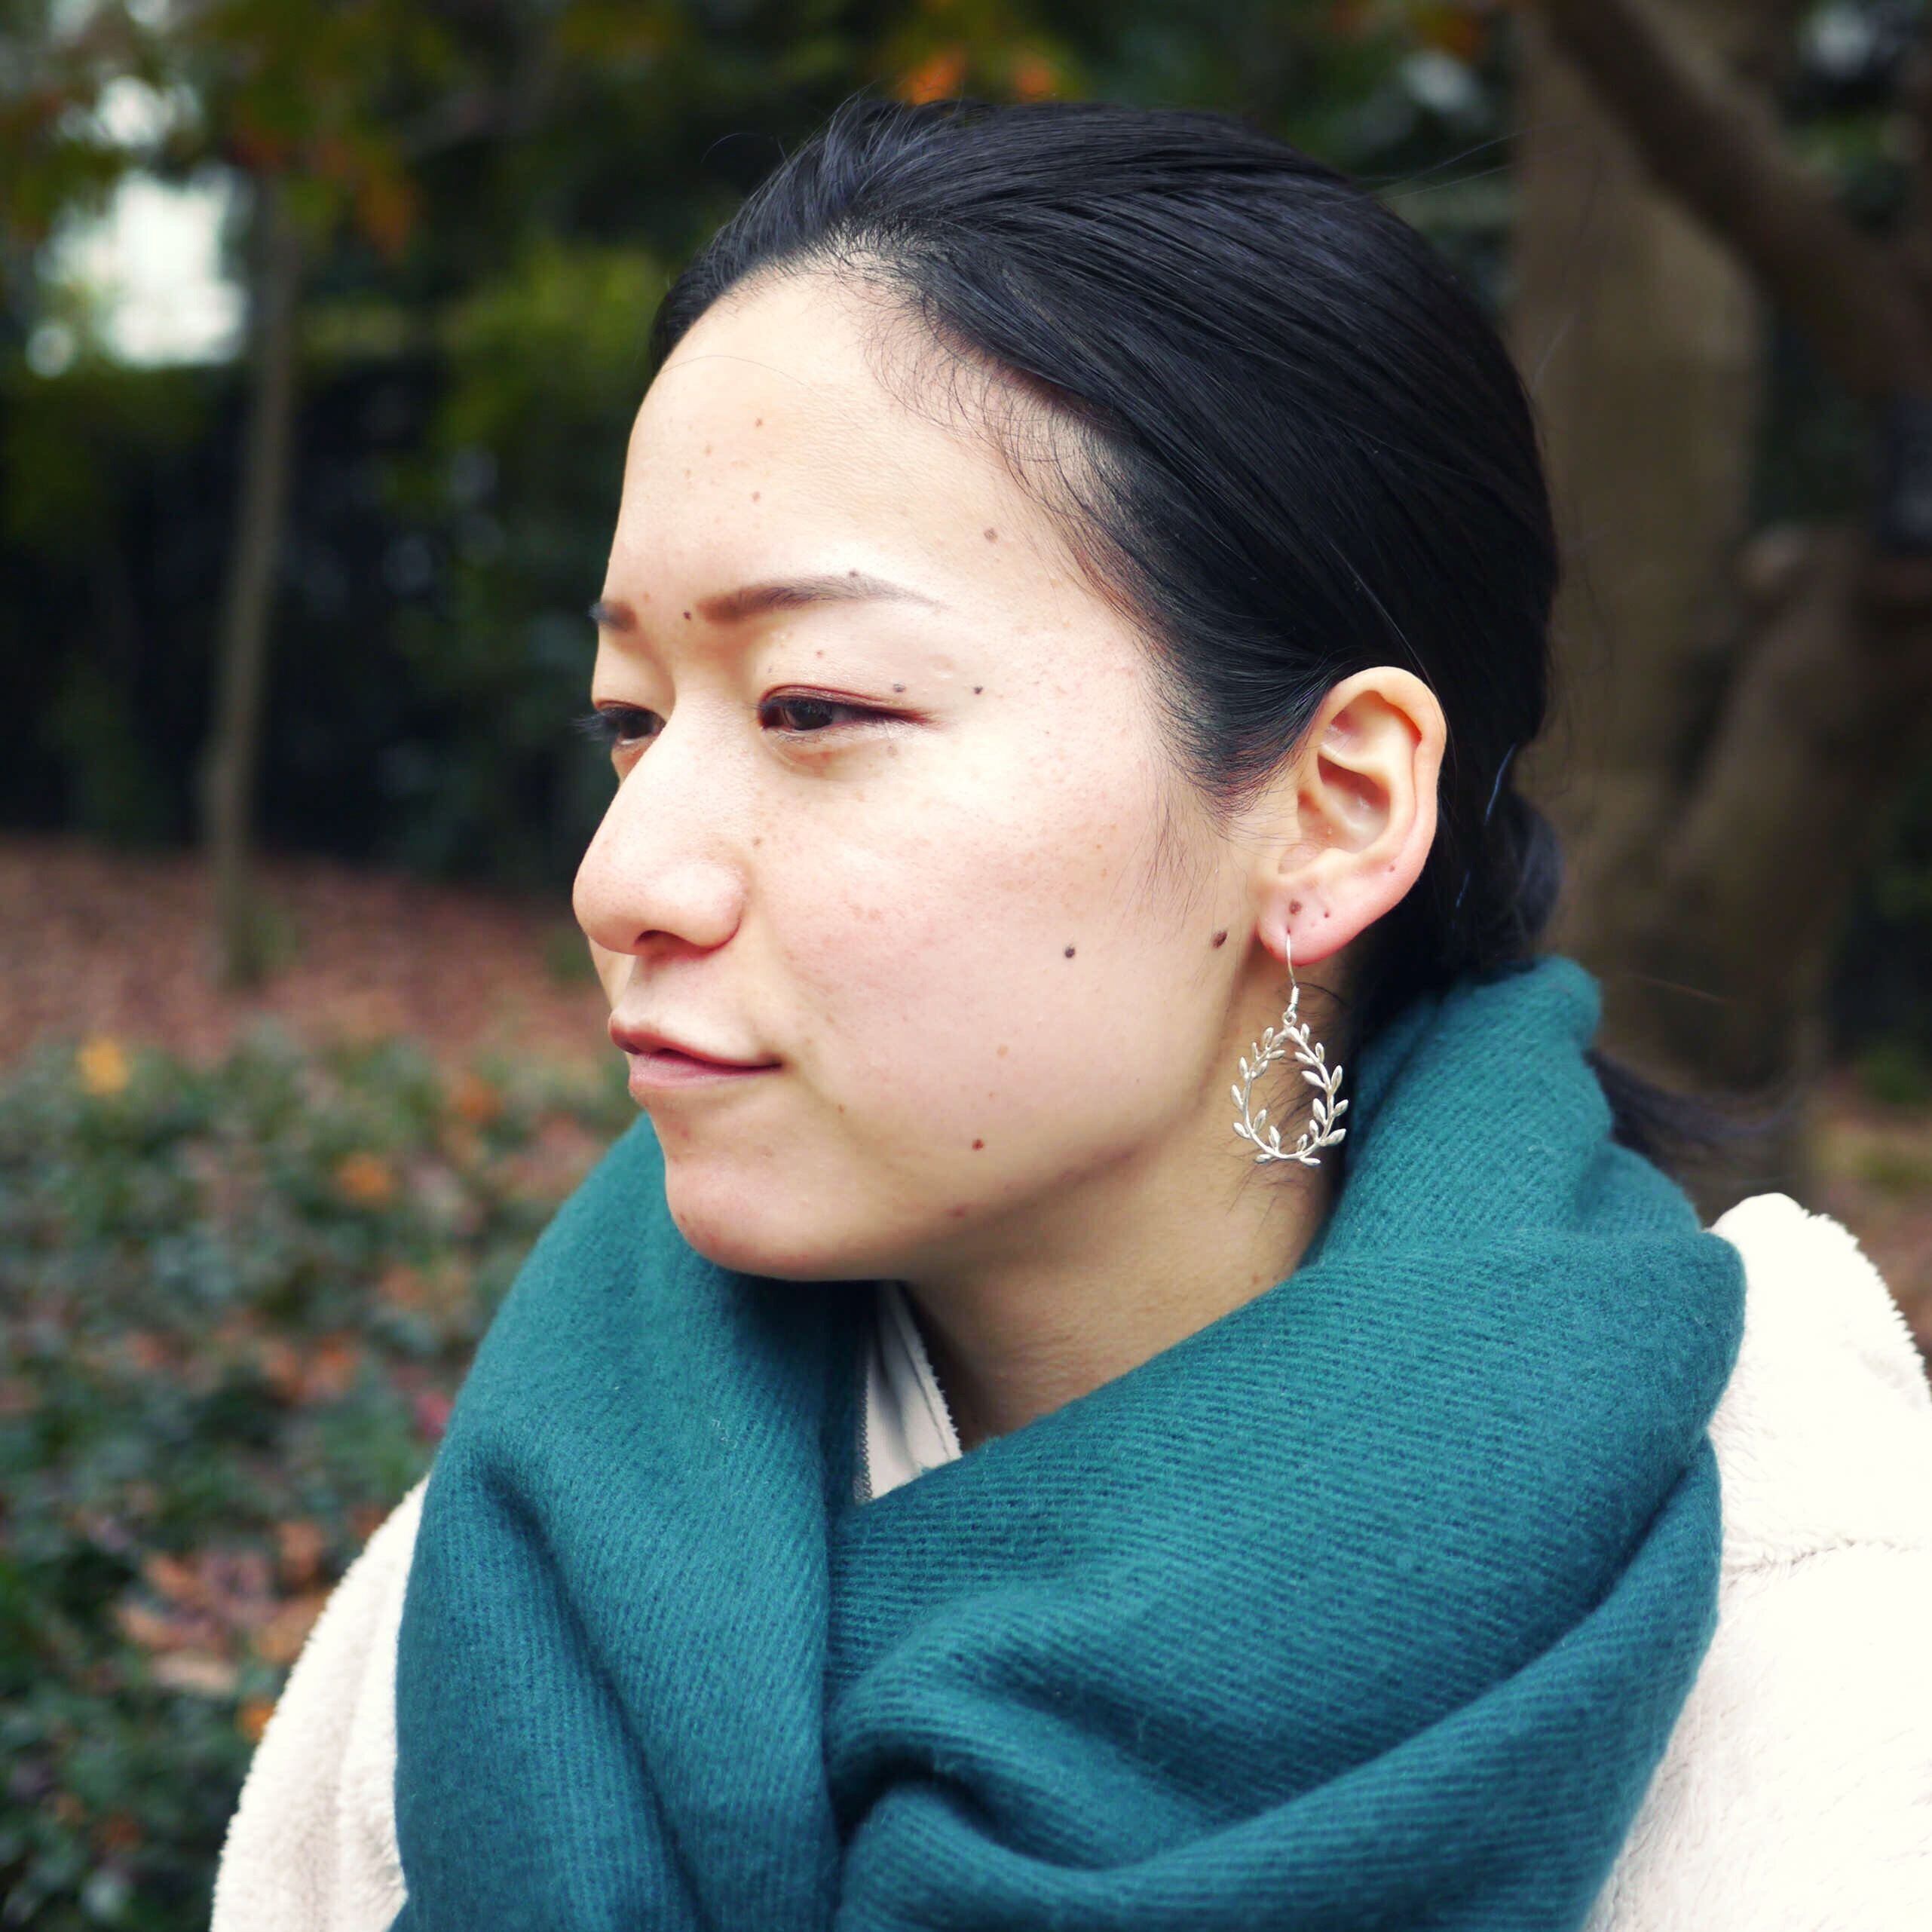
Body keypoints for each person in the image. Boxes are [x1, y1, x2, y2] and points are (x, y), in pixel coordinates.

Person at [211, 96, 1932, 1930]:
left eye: (813, 708)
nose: (622, 875)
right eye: (628, 719)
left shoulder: (1801, 1648)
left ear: (1333, 808)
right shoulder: (503, 1584)